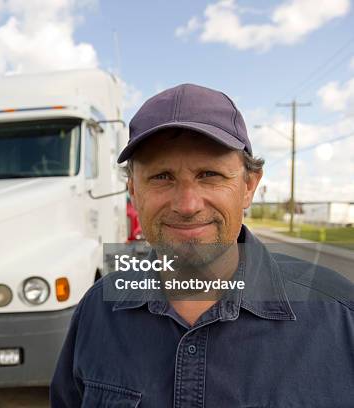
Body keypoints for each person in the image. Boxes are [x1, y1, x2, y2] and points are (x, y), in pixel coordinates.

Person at [50, 84, 354, 407]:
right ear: (133, 191)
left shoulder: (339, 317)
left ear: (249, 186)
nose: (188, 204)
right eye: (162, 177)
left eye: (210, 174)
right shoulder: (97, 311)